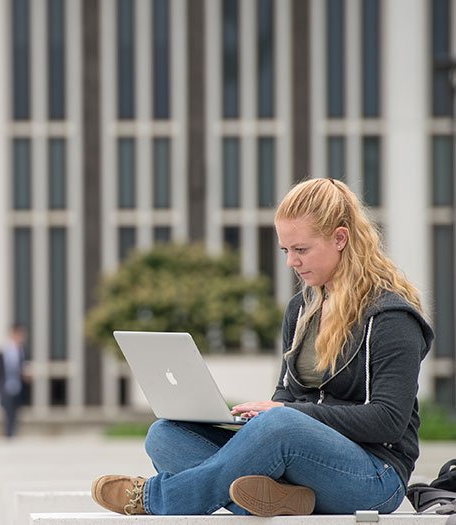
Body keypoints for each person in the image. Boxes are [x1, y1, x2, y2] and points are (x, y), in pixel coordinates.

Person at [91, 178, 434, 517]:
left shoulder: (390, 317)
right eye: (286, 251)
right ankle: (279, 500)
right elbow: (287, 395)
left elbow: (388, 421)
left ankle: (157, 498)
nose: (291, 263)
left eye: (301, 250)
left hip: (374, 477)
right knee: (165, 435)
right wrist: (257, 417)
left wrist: (285, 416)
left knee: (280, 425)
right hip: (301, 466)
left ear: (340, 238)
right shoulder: (301, 310)